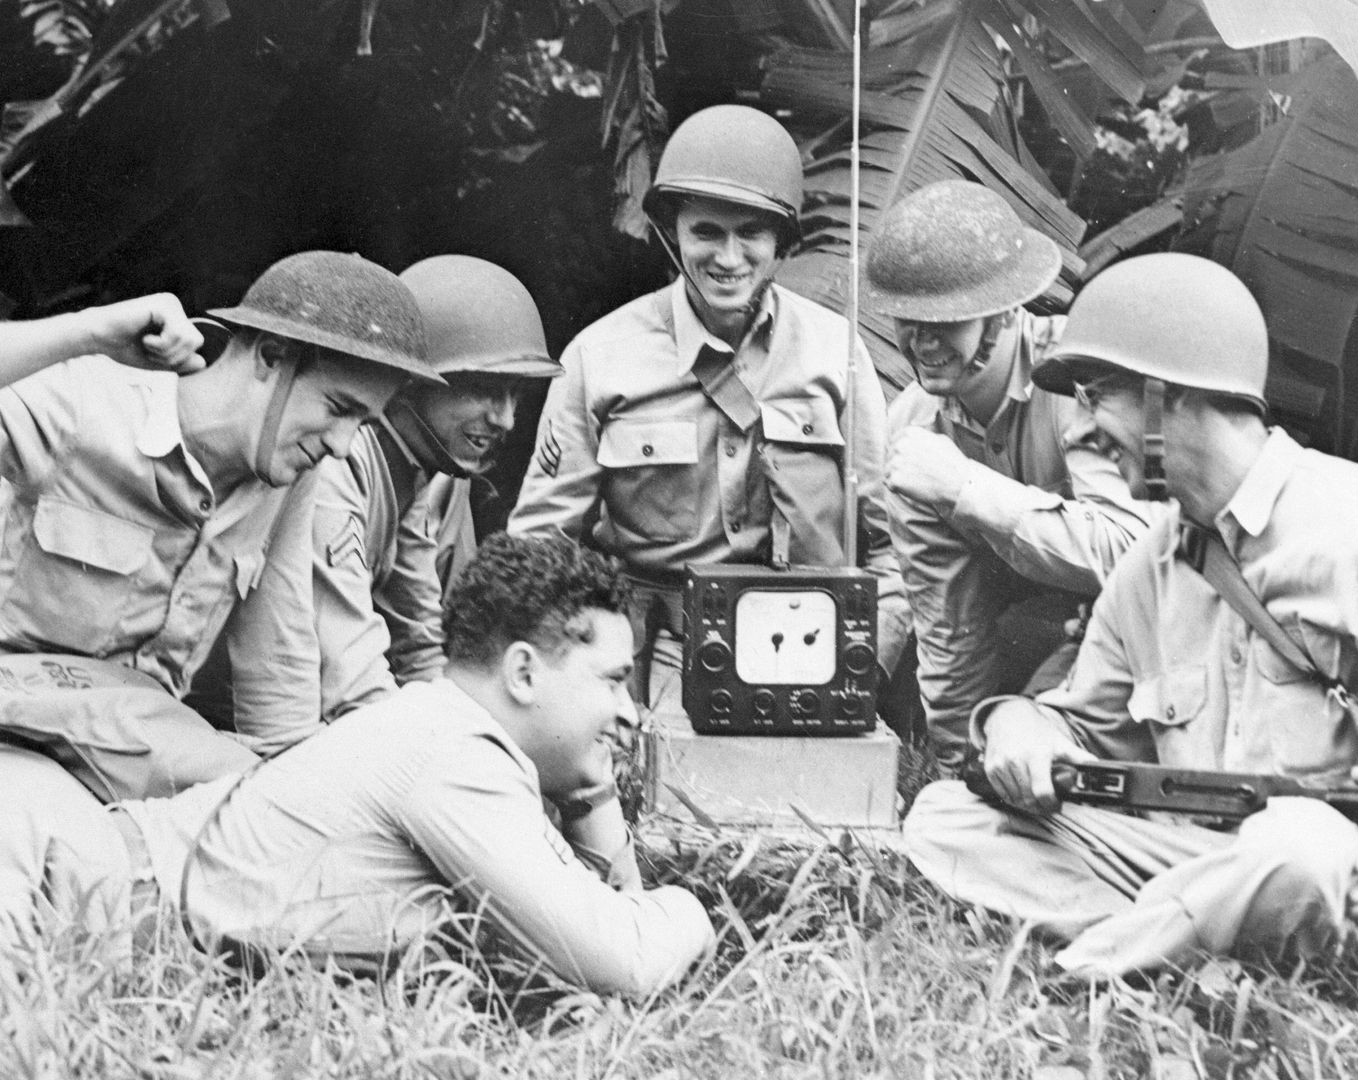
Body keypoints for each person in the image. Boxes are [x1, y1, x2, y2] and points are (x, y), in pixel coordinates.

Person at [902, 253, 1358, 977]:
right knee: (950, 819)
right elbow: (1082, 725)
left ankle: (1107, 962)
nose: (1083, 430)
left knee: (1297, 846)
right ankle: (1203, 946)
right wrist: (1018, 726)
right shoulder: (1149, 571)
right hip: (1222, 860)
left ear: (1167, 398)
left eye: (1098, 398)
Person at [0, 534, 712, 998]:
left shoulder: (445, 733)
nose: (629, 711)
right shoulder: (452, 758)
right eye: (616, 681)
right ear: (527, 672)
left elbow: (567, 939)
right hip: (39, 882)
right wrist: (695, 911)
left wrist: (594, 821)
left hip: (55, 866)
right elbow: (617, 959)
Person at [0, 251, 438, 804]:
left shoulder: (282, 479)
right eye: (338, 409)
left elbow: (277, 663)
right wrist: (90, 331)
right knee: (49, 846)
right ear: (271, 357)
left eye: (362, 423)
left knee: (243, 817)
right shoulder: (91, 403)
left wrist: (284, 809)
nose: (340, 446)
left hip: (126, 752)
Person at [509, 104, 908, 724]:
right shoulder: (602, 356)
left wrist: (860, 665)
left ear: (782, 241)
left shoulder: (835, 352)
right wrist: (585, 682)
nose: (728, 256)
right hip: (655, 658)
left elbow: (889, 540)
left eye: (751, 232)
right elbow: (542, 544)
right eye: (706, 232)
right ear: (674, 235)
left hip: (812, 651)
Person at [189, 255, 562, 749]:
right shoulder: (330, 464)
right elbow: (347, 671)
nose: (506, 420)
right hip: (220, 727)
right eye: (482, 390)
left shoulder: (418, 472)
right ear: (409, 387)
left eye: (515, 395)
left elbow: (420, 640)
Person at [864, 180, 1155, 763]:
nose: (921, 341)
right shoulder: (915, 429)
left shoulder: (1080, 379)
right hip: (1029, 635)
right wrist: (952, 766)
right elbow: (948, 624)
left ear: (1002, 313)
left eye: (944, 320)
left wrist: (966, 489)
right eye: (906, 319)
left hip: (1142, 638)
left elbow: (1139, 553)